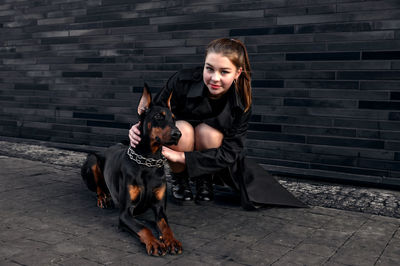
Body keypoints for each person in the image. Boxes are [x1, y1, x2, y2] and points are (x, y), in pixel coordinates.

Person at [129, 38, 306, 210]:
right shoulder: (182, 81)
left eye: (224, 72)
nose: (215, 78)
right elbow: (153, 113)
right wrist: (136, 128)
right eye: (210, 69)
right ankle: (180, 180)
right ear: (203, 66)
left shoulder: (241, 104)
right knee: (183, 130)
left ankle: (204, 180)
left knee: (209, 132)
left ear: (237, 73)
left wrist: (182, 157)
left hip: (210, 150)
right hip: (182, 136)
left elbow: (230, 152)